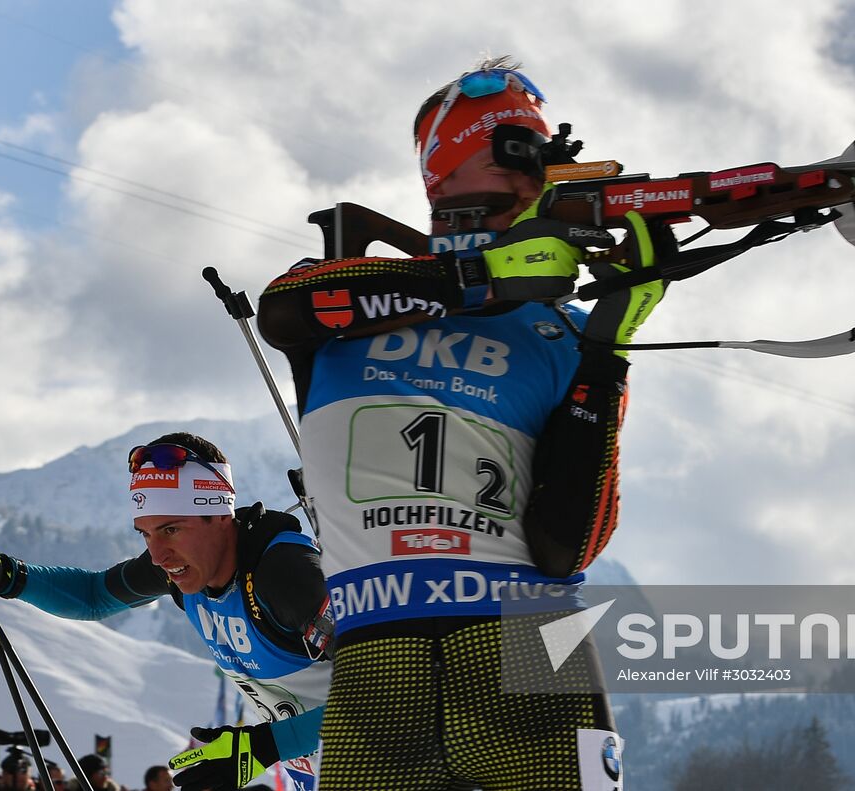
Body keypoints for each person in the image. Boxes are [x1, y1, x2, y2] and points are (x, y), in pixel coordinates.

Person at [255, 56, 662, 790]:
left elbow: (566, 546)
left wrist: (610, 351)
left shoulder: (560, 328)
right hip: (380, 667)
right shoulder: (355, 291)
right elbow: (282, 309)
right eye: (513, 142)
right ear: (444, 170)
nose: (534, 163)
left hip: (524, 634)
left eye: (538, 146)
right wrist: (477, 277)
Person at [0, 432, 332, 791]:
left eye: (171, 530)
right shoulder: (184, 570)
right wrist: (7, 576)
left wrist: (268, 745)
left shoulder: (286, 575)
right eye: (145, 533)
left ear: (219, 516)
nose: (158, 555)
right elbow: (95, 595)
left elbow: (389, 689)